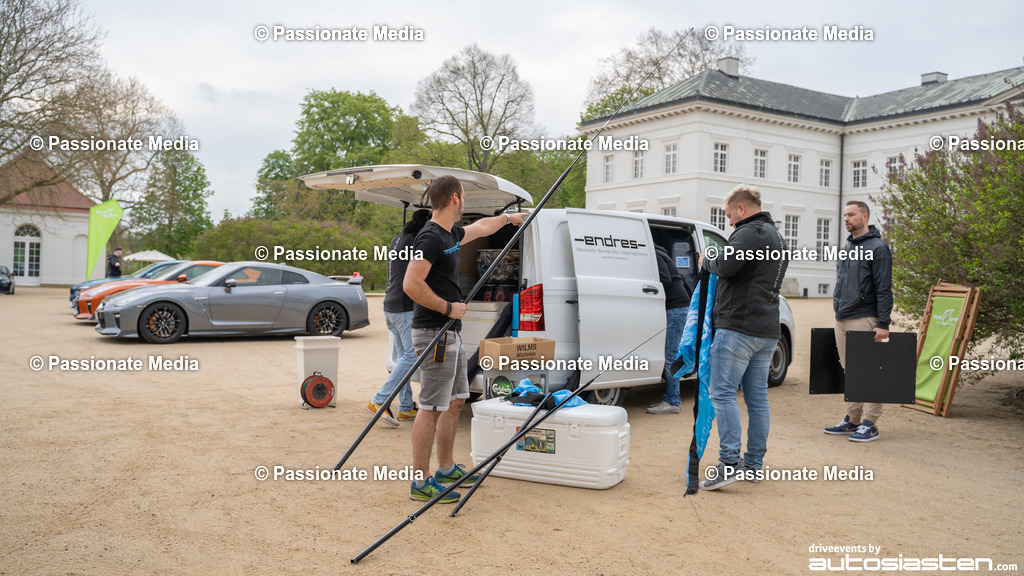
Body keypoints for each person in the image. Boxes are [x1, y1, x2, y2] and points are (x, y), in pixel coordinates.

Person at [403, 175, 527, 503]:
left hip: (450, 333)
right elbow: (411, 284)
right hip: (435, 333)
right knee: (430, 407)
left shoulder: (451, 234)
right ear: (456, 198)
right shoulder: (429, 238)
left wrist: (509, 219)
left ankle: (445, 469)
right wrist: (448, 307)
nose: (465, 203)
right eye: (464, 197)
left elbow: (482, 228)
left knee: (456, 400)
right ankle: (421, 481)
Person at [697, 185, 788, 491]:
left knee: (722, 394)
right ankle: (753, 465)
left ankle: (729, 463)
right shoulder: (777, 237)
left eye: (729, 216)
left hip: (738, 328)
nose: (729, 224)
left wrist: (706, 260)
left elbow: (725, 266)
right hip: (766, 331)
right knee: (757, 400)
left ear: (740, 209)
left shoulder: (749, 233)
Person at [823, 200, 893, 443]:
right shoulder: (847, 247)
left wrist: (883, 322)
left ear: (865, 216)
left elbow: (884, 288)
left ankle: (870, 424)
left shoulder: (878, 248)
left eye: (851, 215)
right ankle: (853, 419)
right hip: (842, 317)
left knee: (870, 371)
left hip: (864, 317)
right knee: (850, 370)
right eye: (844, 215)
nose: (846, 219)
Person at [366, 209, 431, 428]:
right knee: (412, 357)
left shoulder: (397, 240)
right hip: (404, 309)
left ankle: (405, 407)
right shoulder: (418, 243)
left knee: (403, 357)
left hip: (390, 307)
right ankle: (380, 400)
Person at [647, 245, 689, 415]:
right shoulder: (661, 253)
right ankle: (673, 398)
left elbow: (665, 279)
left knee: (670, 356)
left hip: (676, 310)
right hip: (678, 308)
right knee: (673, 355)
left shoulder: (655, 254)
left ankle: (672, 401)